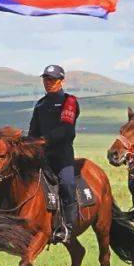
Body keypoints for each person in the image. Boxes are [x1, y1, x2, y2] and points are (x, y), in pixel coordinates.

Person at [28, 64, 80, 243]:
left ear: (61, 81)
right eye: (46, 79)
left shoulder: (69, 101)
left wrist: (44, 140)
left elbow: (66, 129)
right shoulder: (40, 104)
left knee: (67, 184)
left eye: (52, 79)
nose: (48, 82)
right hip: (42, 157)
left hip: (62, 157)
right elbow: (32, 131)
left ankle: (68, 228)